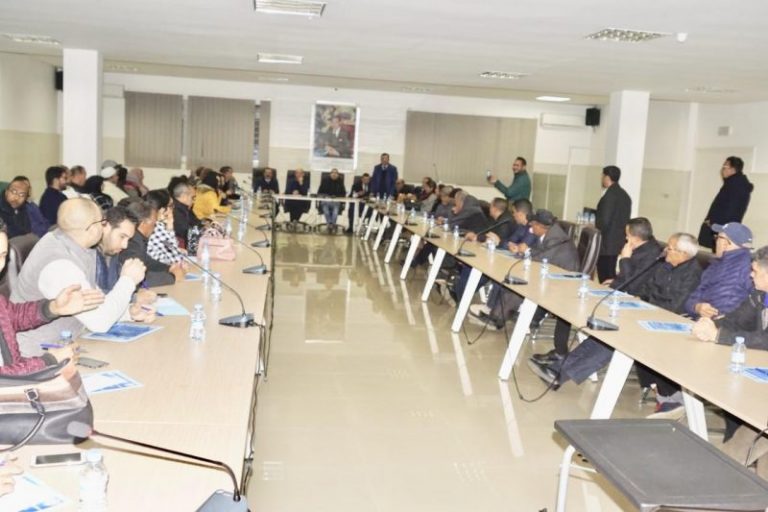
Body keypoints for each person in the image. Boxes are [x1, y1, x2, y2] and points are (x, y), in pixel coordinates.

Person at [530, 233, 702, 400]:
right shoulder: (664, 265)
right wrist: (639, 299)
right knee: (605, 333)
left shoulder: (693, 273)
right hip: (645, 314)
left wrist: (647, 307)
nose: (665, 251)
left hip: (664, 323)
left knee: (616, 340)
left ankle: (560, 375)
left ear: (683, 253)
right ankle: (557, 370)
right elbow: (647, 288)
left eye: (669, 248)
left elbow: (676, 306)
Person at [12, 198, 153, 357]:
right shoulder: (58, 264)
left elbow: (96, 301)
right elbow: (100, 322)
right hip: (37, 357)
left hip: (71, 343)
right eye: (102, 222)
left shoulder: (75, 246)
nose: (104, 227)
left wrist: (128, 312)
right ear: (92, 229)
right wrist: (128, 280)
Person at [530, 217, 662, 365]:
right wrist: (614, 279)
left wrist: (625, 259)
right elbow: (631, 277)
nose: (625, 238)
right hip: (617, 290)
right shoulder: (641, 247)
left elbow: (633, 285)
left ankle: (563, 353)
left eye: (627, 235)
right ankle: (560, 350)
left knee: (572, 305)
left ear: (635, 237)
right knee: (568, 301)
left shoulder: (652, 254)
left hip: (629, 299)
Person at [692, 246, 768, 474]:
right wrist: (710, 326)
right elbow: (735, 319)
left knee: (749, 435)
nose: (750, 275)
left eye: (755, 271)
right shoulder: (759, 295)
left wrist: (719, 336)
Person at [0, 218, 104, 375]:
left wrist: (53, 308)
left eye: (2, 255)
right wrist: (49, 360)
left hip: (20, 380)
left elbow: (11, 316)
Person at [685, 222, 753, 320]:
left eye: (718, 237)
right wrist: (696, 307)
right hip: (699, 321)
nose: (715, 241)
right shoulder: (714, 265)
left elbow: (755, 307)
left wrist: (722, 320)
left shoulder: (749, 268)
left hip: (723, 325)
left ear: (726, 243)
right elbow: (694, 296)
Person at [452, 198, 515, 299]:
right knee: (467, 262)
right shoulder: (497, 219)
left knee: (471, 266)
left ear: (494, 208)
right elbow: (488, 234)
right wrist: (477, 236)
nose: (489, 208)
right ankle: (459, 293)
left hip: (498, 261)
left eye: (491, 206)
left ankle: (460, 294)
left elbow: (495, 240)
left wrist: (477, 237)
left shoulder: (505, 222)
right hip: (491, 255)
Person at [120, 199, 185, 287]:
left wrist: (169, 268)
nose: (155, 226)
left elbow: (147, 261)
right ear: (144, 223)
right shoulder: (131, 243)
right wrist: (172, 277)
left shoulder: (138, 239)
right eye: (154, 223)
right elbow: (139, 278)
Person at [698, 156, 753, 250]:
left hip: (722, 229)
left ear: (733, 169)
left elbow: (730, 210)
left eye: (724, 167)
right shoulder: (733, 183)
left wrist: (713, 223)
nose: (722, 170)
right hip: (723, 227)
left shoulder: (735, 185)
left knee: (720, 253)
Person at [595, 165, 632, 283]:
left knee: (605, 276)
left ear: (607, 177)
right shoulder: (625, 195)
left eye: (603, 176)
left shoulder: (609, 196)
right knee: (610, 274)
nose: (602, 179)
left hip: (606, 244)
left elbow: (604, 221)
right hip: (617, 242)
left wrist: (597, 227)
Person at [94, 206, 139, 294]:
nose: (125, 246)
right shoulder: (88, 254)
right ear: (105, 226)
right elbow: (94, 296)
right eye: (122, 236)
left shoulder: (113, 254)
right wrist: (133, 297)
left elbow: (113, 290)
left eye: (128, 239)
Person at [145, 189, 185, 266]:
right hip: (160, 269)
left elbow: (172, 249)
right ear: (162, 210)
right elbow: (176, 259)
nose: (173, 208)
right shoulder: (157, 228)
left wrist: (169, 227)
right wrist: (170, 225)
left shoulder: (151, 224)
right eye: (171, 205)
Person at [171, 180, 201, 247]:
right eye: (193, 197)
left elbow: (196, 222)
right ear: (184, 196)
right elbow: (186, 232)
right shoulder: (175, 210)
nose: (194, 201)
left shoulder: (184, 207)